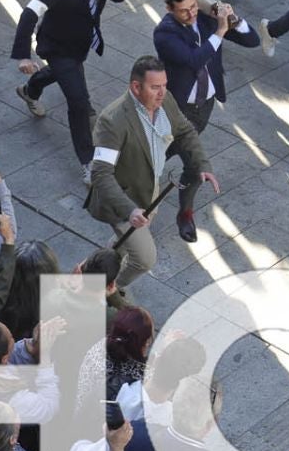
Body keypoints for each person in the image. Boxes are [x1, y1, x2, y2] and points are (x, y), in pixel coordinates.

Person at [12, 0, 139, 166]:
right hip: (58, 47)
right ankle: (87, 161)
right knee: (79, 101)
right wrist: (23, 55)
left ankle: (30, 90)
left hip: (80, 44)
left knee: (61, 74)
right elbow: (30, 13)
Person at [88, 56, 219, 284]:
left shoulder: (165, 100)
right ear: (136, 87)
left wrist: (202, 164)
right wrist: (130, 210)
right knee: (145, 259)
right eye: (155, 87)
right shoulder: (112, 121)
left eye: (164, 85)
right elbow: (101, 174)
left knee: (122, 246)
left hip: (151, 193)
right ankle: (112, 289)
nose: (162, 93)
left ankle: (94, 271)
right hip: (123, 202)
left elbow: (185, 130)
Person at [152, 0, 263, 133]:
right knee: (170, 145)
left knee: (189, 142)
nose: (191, 14)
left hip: (205, 103)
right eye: (183, 11)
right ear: (170, 9)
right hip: (179, 106)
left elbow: (252, 41)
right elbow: (194, 60)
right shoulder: (164, 33)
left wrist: (233, 19)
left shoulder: (206, 18)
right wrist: (221, 30)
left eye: (193, 6)